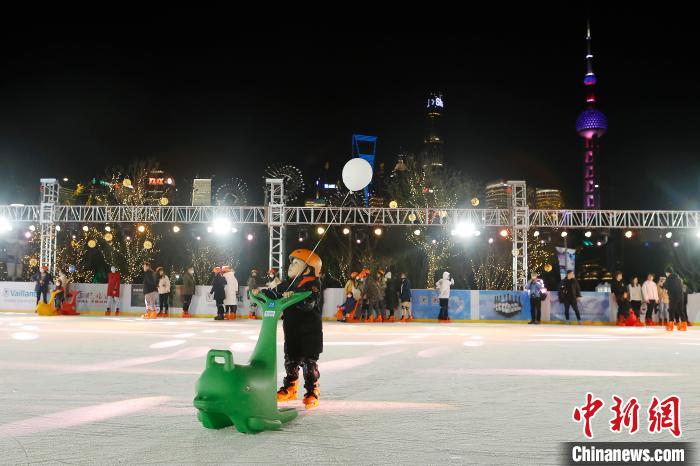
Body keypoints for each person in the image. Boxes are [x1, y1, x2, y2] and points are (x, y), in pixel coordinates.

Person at [260, 248, 323, 410]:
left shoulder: (313, 284)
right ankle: (290, 387)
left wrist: (294, 297)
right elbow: (274, 293)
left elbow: (309, 303)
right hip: (292, 329)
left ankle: (312, 390)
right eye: (291, 262)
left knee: (309, 364)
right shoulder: (288, 284)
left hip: (309, 332)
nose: (290, 266)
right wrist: (260, 294)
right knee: (291, 360)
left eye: (296, 263)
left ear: (308, 268)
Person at [664, 267, 687, 331]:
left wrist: (663, 284)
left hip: (674, 296)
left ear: (667, 272)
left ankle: (670, 326)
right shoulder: (678, 277)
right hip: (681, 296)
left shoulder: (669, 278)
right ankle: (684, 325)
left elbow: (666, 287)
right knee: (680, 311)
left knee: (671, 310)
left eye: (666, 273)